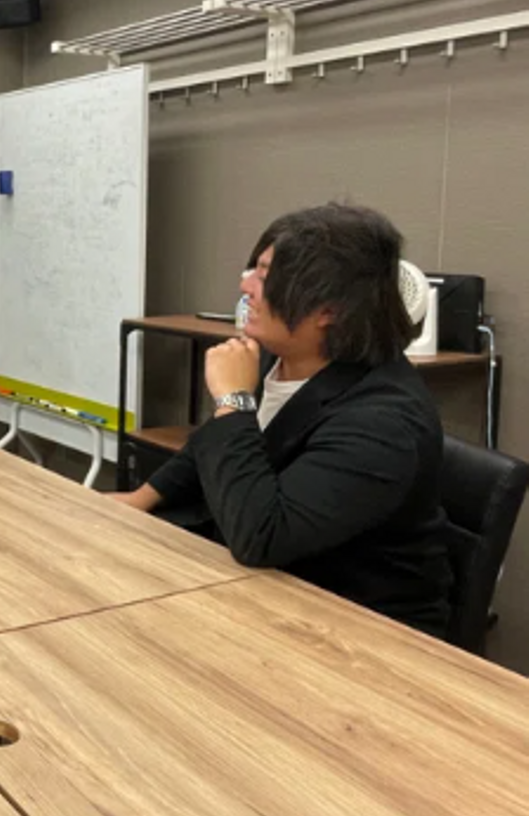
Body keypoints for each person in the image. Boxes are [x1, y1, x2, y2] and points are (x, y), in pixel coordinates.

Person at [112, 204, 452, 637]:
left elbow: (262, 537)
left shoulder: (384, 423)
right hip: (259, 584)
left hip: (354, 629)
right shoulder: (278, 356)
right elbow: (212, 443)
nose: (245, 285)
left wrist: (233, 400)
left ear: (329, 310)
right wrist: (140, 499)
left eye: (266, 275)